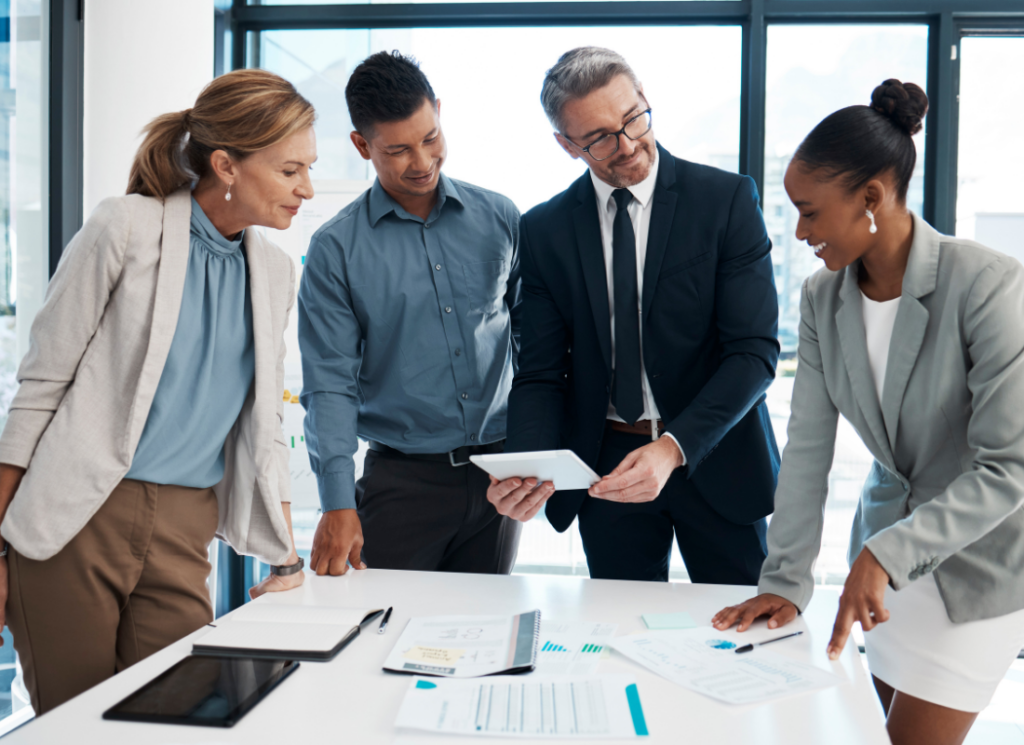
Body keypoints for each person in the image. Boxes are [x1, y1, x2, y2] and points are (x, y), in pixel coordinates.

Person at [712, 79, 1024, 745]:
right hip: (880, 582)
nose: (799, 233)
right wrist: (787, 581)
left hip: (978, 571)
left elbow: (1009, 468)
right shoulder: (822, 298)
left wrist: (886, 554)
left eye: (810, 212)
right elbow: (807, 450)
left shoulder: (989, 284)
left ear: (872, 199)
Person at [0, 69, 315, 714]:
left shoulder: (276, 273)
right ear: (226, 164)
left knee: (174, 719)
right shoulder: (124, 228)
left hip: (183, 529)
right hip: (76, 522)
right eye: (290, 171)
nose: (306, 189)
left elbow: (262, 428)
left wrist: (285, 557)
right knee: (76, 721)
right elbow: (40, 389)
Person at [489, 47, 781, 583]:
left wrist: (673, 449)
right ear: (566, 145)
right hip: (606, 467)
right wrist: (526, 469)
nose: (626, 146)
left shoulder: (725, 201)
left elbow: (754, 354)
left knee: (741, 636)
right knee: (621, 635)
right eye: (598, 137)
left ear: (644, 98)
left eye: (632, 120)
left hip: (715, 458)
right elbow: (540, 372)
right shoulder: (545, 230)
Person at [299, 51, 522, 576]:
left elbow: (534, 345)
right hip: (402, 484)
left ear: (439, 113)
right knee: (378, 633)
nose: (421, 162)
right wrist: (336, 502)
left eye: (430, 138)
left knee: (481, 640)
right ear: (361, 145)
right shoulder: (336, 249)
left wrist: (534, 455)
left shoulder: (501, 218)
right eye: (397, 150)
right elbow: (330, 383)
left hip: (499, 476)